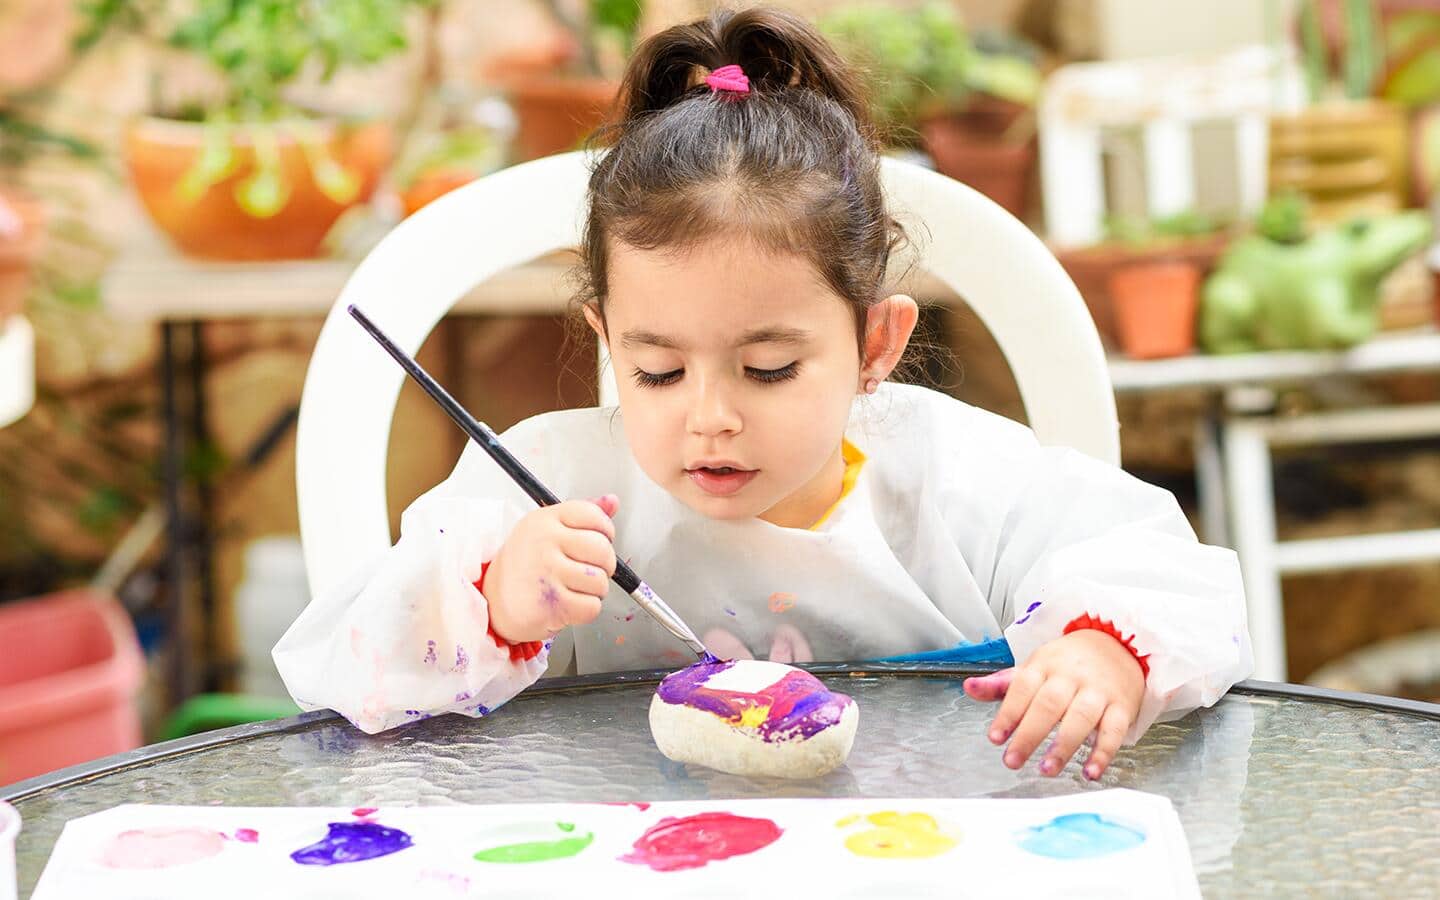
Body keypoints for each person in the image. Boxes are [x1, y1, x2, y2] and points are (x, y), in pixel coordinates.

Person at [275, 6, 1251, 780]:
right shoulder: (550, 485)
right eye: (657, 370)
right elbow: (336, 672)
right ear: (605, 337)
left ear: (875, 342)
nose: (710, 415)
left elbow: (1172, 579)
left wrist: (1102, 653)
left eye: (769, 368)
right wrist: (489, 599)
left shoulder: (956, 480)